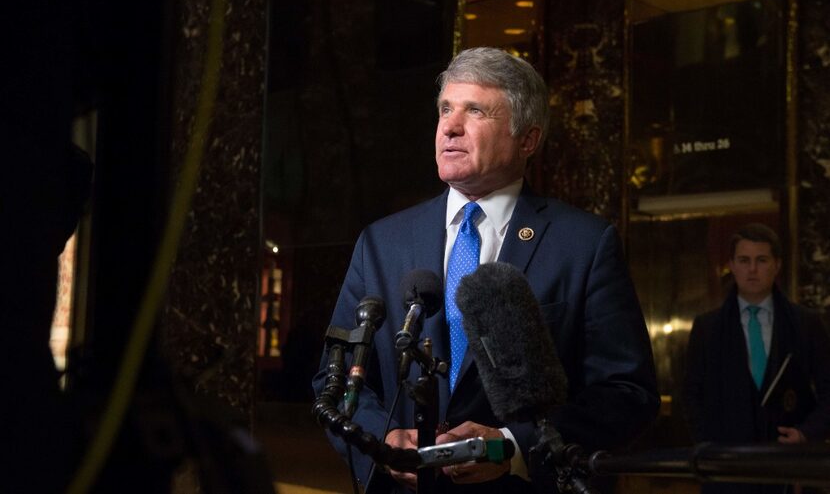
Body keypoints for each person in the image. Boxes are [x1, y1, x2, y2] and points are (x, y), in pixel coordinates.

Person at [312, 47, 659, 493]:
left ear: (527, 139)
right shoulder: (381, 242)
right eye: (445, 109)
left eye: (475, 110)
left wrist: (514, 447)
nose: (450, 127)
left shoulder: (585, 245)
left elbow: (627, 393)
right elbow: (334, 379)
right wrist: (379, 441)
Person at [683, 223, 830, 494]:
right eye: (744, 260)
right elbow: (692, 395)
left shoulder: (806, 324)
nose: (752, 269)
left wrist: (806, 434)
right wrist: (708, 447)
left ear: (777, 265)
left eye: (761, 260)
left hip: (790, 468)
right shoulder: (707, 327)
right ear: (732, 265)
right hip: (726, 470)